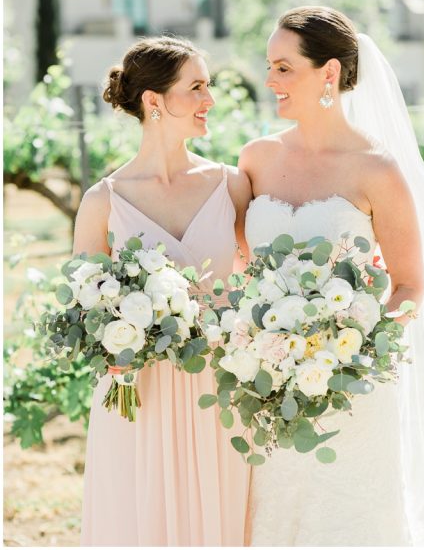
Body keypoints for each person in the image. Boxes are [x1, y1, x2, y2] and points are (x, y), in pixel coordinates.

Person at [239, 7, 424, 546]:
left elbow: (411, 284)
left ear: (327, 74)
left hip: (351, 383)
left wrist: (352, 349)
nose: (270, 80)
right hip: (269, 378)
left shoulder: (378, 168)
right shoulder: (254, 159)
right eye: (269, 67)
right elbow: (238, 265)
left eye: (283, 68)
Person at [76, 36, 251, 545]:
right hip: (139, 391)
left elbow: (259, 280)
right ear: (154, 102)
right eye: (195, 87)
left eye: (208, 86)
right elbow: (85, 309)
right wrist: (118, 343)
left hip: (220, 387)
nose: (209, 100)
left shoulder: (231, 184)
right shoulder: (103, 200)